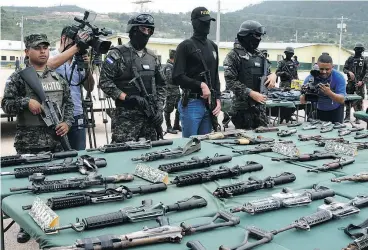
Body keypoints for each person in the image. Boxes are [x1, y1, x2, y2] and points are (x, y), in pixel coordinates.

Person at [1, 33, 74, 243]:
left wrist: (67, 123)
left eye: (46, 47)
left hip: (57, 140)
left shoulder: (58, 77)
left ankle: (54, 219)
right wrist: (26, 102)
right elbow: (6, 104)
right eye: (38, 47)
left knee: (58, 182)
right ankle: (26, 225)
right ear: (27, 52)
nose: (43, 51)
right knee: (30, 187)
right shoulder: (18, 78)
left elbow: (69, 104)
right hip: (30, 142)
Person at [99, 13, 166, 142]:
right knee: (122, 154)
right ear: (133, 30)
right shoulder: (117, 55)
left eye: (149, 30)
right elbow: (105, 81)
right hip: (126, 119)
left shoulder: (152, 57)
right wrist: (126, 97)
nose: (146, 33)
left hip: (150, 118)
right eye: (143, 29)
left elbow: (161, 85)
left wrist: (159, 109)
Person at [172, 7, 221, 137]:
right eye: (203, 22)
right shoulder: (185, 46)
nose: (207, 25)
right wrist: (200, 85)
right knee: (189, 145)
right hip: (192, 104)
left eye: (208, 22)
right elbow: (177, 76)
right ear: (194, 22)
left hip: (209, 104)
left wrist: (218, 98)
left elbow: (215, 76)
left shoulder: (213, 46)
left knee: (205, 146)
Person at [47, 27, 95, 150]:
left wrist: (87, 67)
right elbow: (49, 66)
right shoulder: (51, 56)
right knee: (57, 157)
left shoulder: (78, 60)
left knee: (79, 155)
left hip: (77, 114)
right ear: (64, 38)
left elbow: (89, 87)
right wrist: (77, 47)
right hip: (56, 117)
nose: (78, 44)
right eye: (76, 41)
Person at [223, 20, 277, 129]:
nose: (259, 39)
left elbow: (267, 73)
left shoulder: (260, 55)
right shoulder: (233, 55)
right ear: (247, 36)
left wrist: (273, 75)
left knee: (264, 138)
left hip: (260, 107)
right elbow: (230, 82)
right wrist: (251, 93)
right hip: (242, 109)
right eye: (257, 36)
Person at [300, 53, 346, 123]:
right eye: (321, 69)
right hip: (317, 110)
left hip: (335, 110)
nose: (324, 72)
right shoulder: (311, 77)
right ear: (317, 66)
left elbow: (342, 100)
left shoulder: (338, 77)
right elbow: (303, 100)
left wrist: (329, 93)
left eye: (327, 69)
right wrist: (303, 96)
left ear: (332, 67)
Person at [343, 42, 368, 123]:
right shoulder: (350, 59)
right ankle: (347, 117)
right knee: (347, 100)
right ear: (355, 50)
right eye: (357, 49)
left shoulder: (365, 60)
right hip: (350, 83)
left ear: (362, 50)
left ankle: (358, 117)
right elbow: (344, 69)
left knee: (359, 101)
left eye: (360, 50)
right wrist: (348, 72)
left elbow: (367, 72)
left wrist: (362, 81)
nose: (358, 51)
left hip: (360, 84)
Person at [162, 49, 181, 134]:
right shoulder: (168, 66)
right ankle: (168, 127)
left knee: (179, 108)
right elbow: (170, 79)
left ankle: (176, 125)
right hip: (170, 92)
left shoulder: (174, 66)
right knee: (168, 110)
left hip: (176, 91)